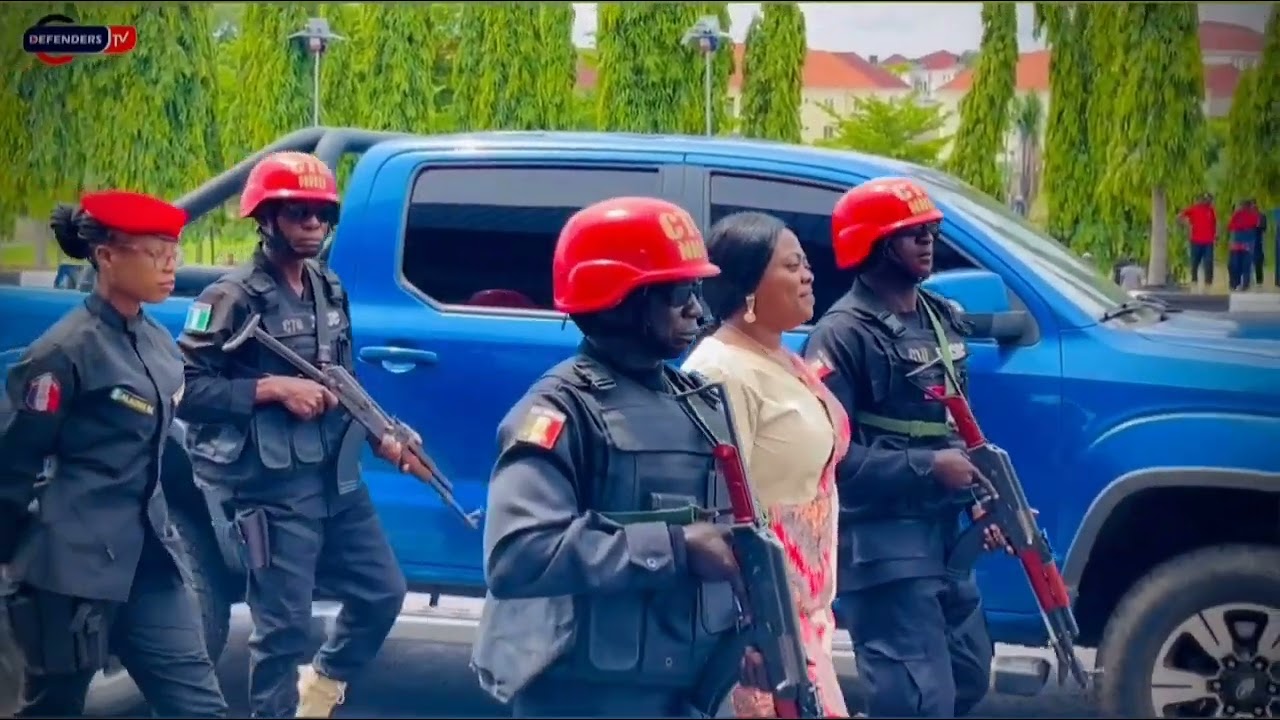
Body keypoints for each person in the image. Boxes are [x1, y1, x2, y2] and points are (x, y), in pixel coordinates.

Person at [475, 197, 746, 718]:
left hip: (692, 690)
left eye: (698, 289)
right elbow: (517, 555)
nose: (699, 309)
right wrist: (676, 547)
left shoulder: (702, 402)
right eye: (680, 292)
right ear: (620, 298)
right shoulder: (558, 410)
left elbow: (736, 535)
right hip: (587, 695)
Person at [176, 153, 408, 719]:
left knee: (383, 593)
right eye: (298, 212)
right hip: (271, 487)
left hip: (337, 477)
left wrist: (384, 428)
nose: (313, 224)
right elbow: (186, 391)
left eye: (322, 215)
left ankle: (323, 686)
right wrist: (272, 389)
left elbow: (343, 374)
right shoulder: (228, 300)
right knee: (282, 631)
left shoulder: (329, 288)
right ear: (267, 218)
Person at [0, 191, 228, 718]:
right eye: (154, 252)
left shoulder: (158, 342)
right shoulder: (63, 353)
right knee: (52, 710)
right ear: (107, 255)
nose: (171, 263)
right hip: (72, 574)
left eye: (174, 249)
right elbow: (13, 465)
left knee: (200, 708)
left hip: (150, 564)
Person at [801, 178, 998, 718]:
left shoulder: (940, 317)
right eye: (911, 234)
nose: (928, 242)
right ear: (874, 244)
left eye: (930, 231)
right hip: (883, 545)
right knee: (916, 700)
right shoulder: (842, 334)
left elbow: (957, 424)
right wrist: (929, 467)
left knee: (968, 677)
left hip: (946, 538)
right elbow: (827, 460)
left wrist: (983, 499)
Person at [682, 212, 850, 718]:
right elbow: (719, 512)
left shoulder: (781, 356)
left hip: (806, 617)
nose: (809, 275)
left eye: (807, 264)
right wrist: (755, 628)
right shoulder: (720, 370)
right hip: (765, 623)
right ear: (750, 286)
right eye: (793, 265)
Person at [1178, 193, 1217, 291]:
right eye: (1206, 200)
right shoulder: (1193, 209)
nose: (1208, 202)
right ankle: (1194, 280)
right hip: (1196, 240)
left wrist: (1216, 234)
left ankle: (1208, 282)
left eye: (1209, 200)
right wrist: (1186, 225)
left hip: (1208, 241)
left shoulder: (1211, 210)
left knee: (1208, 261)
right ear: (1201, 200)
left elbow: (1215, 223)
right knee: (1194, 261)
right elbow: (1179, 216)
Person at [1227, 199, 1261, 291]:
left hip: (1242, 242)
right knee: (1240, 264)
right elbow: (1257, 225)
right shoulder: (1240, 215)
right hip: (1242, 243)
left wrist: (1240, 227)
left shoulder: (1248, 215)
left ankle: (1239, 284)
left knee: (1238, 264)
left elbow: (1230, 226)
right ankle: (1240, 284)